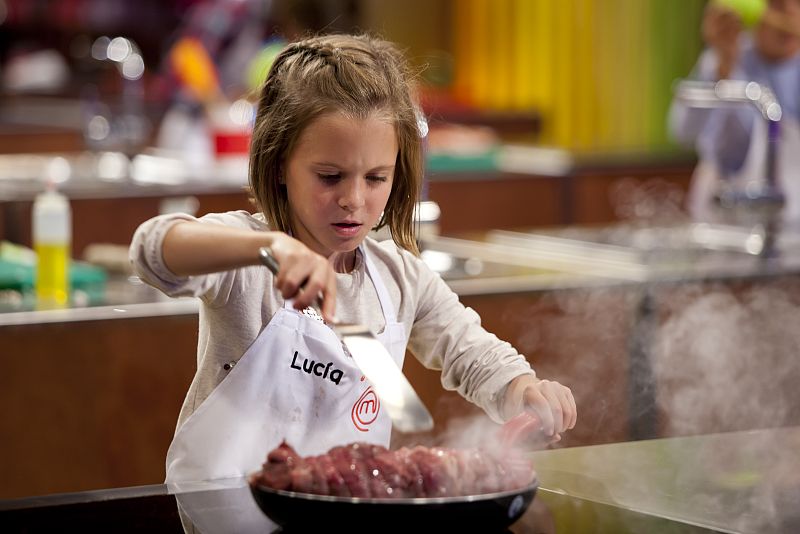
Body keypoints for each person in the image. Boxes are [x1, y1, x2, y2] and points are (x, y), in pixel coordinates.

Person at [130, 33, 577, 484]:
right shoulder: (245, 261)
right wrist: (268, 249)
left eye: (376, 177)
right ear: (280, 164)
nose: (353, 199)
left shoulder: (399, 279)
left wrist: (524, 390)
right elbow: (153, 248)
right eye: (330, 176)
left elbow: (473, 355)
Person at [669, 0, 800, 221]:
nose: (789, 14)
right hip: (723, 214)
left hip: (790, 219)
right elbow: (682, 132)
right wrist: (724, 65)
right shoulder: (723, 56)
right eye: (777, 5)